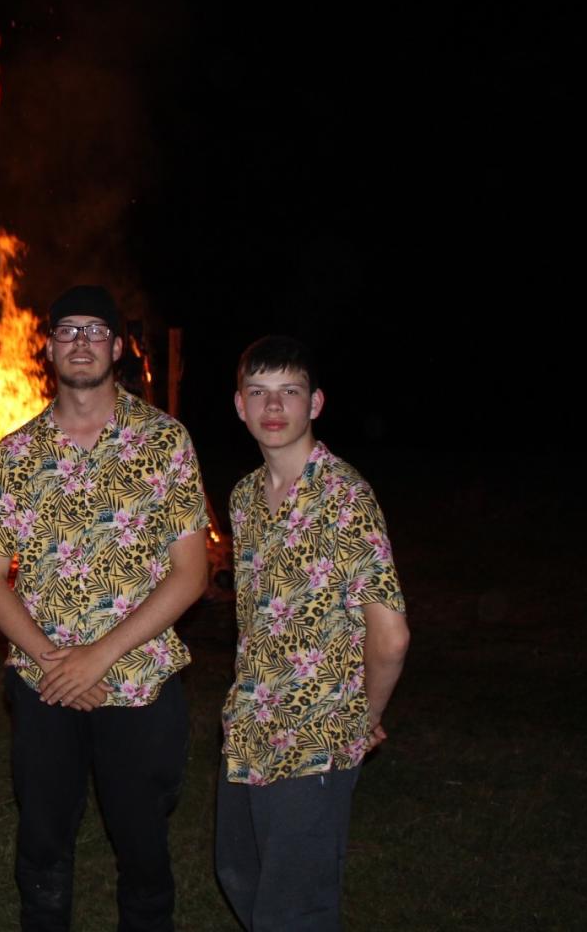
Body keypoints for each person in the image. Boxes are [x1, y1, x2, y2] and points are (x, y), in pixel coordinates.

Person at [0, 285, 209, 932]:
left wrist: (97, 657)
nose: (81, 342)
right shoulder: (17, 453)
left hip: (138, 682)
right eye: (68, 330)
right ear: (49, 347)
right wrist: (56, 662)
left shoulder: (163, 441)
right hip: (44, 684)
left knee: (143, 850)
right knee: (43, 847)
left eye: (95, 330)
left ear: (118, 347)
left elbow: (191, 573)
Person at [215, 335, 410, 932]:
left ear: (316, 403)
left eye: (290, 392)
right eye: (259, 393)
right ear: (240, 406)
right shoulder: (245, 497)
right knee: (239, 874)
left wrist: (363, 716)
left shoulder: (345, 498)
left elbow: (391, 636)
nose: (274, 407)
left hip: (316, 733)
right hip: (249, 725)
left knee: (294, 909)